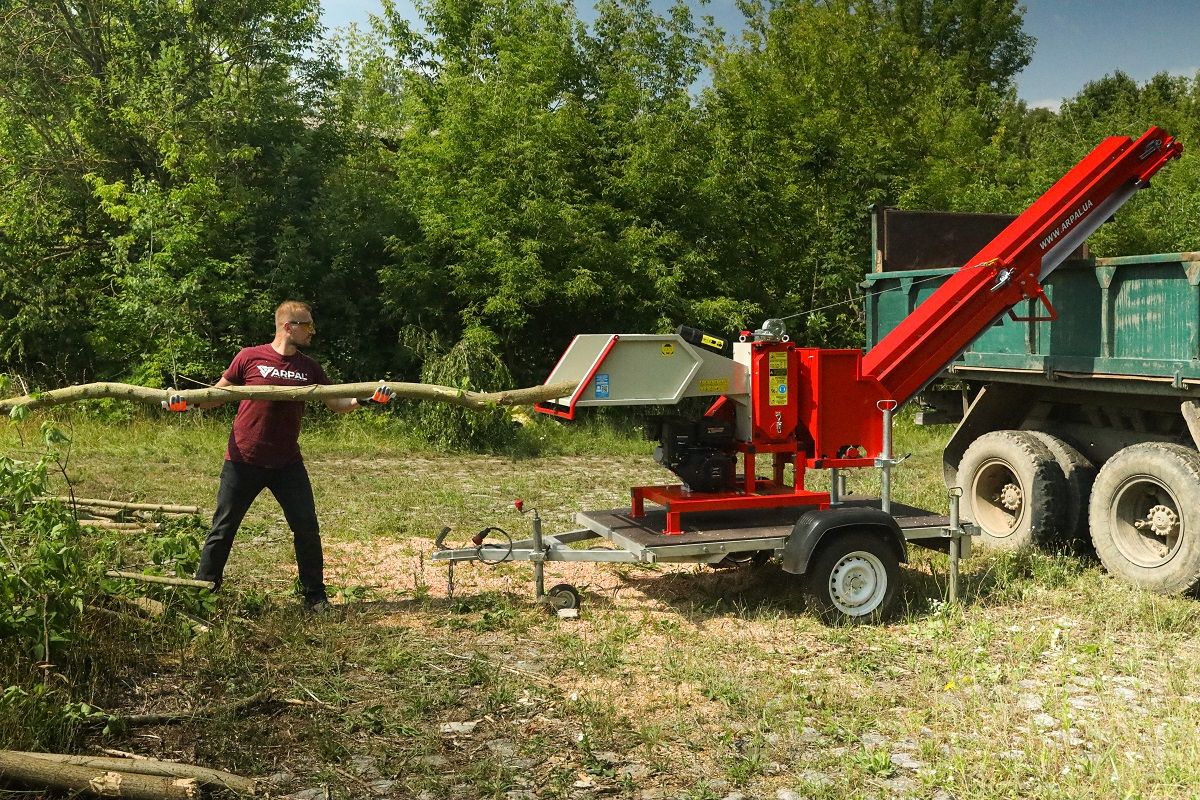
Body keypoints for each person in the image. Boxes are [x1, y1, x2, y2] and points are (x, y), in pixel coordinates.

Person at [163, 300, 393, 612]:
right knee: (223, 528)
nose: (313, 330)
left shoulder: (308, 367)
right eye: (307, 324)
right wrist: (185, 402)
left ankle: (315, 597)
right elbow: (214, 397)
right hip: (243, 459)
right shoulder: (249, 357)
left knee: (307, 528)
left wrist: (367, 400)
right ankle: (204, 592)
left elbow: (337, 403)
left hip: (287, 463)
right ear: (288, 326)